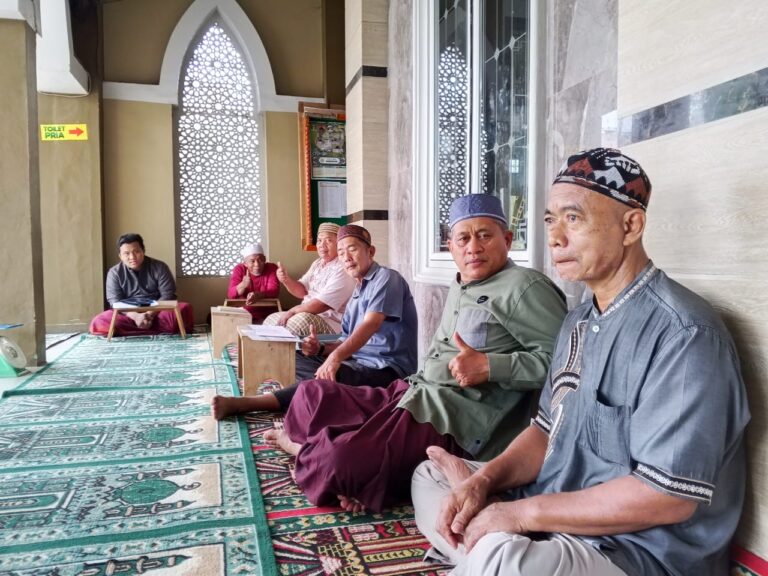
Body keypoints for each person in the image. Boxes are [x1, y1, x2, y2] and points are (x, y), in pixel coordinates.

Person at [412, 148, 750, 576]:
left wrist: (519, 515)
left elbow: (667, 497)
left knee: (505, 561)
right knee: (430, 477)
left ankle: (486, 550)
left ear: (631, 226)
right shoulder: (579, 321)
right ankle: (484, 547)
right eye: (550, 220)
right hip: (557, 504)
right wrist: (483, 482)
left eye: (573, 218)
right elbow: (544, 431)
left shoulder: (685, 334)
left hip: (634, 550)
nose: (555, 238)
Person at [260, 195, 567, 513]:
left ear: (507, 239)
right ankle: (348, 461)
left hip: (454, 421)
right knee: (311, 395)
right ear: (450, 246)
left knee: (340, 461)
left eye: (485, 235)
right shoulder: (462, 283)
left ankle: (311, 453)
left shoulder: (525, 287)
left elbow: (565, 369)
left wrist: (491, 366)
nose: (473, 248)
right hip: (413, 391)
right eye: (463, 238)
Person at [211, 224, 418, 417]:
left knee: (332, 375)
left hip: (386, 369)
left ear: (370, 252)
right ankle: (315, 395)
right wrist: (320, 349)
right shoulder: (357, 292)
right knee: (295, 356)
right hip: (355, 360)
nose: (346, 257)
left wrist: (334, 358)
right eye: (341, 252)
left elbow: (371, 324)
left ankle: (250, 404)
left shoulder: (386, 278)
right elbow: (344, 340)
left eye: (352, 249)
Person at [89, 233, 194, 336]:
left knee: (184, 309)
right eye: (126, 253)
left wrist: (149, 314)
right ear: (120, 256)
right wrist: (135, 317)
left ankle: (132, 331)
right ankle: (156, 329)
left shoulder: (160, 267)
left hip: (158, 312)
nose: (132, 257)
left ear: (143, 251)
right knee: (98, 322)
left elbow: (168, 295)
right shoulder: (114, 273)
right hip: (128, 314)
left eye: (136, 251)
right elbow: (115, 302)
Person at [263, 222, 355, 337]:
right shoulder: (318, 263)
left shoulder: (343, 267)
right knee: (270, 320)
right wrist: (286, 280)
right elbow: (302, 291)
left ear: (339, 245)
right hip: (307, 314)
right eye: (319, 240)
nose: (322, 245)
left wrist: (292, 311)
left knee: (295, 325)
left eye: (328, 241)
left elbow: (322, 304)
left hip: (331, 321)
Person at [227, 242, 279, 323]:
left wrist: (258, 295)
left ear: (265, 259)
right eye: (252, 261)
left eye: (260, 260)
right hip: (244, 313)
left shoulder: (271, 268)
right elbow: (230, 295)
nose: (257, 264)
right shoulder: (240, 269)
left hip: (267, 314)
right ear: (245, 263)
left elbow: (274, 291)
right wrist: (243, 285)